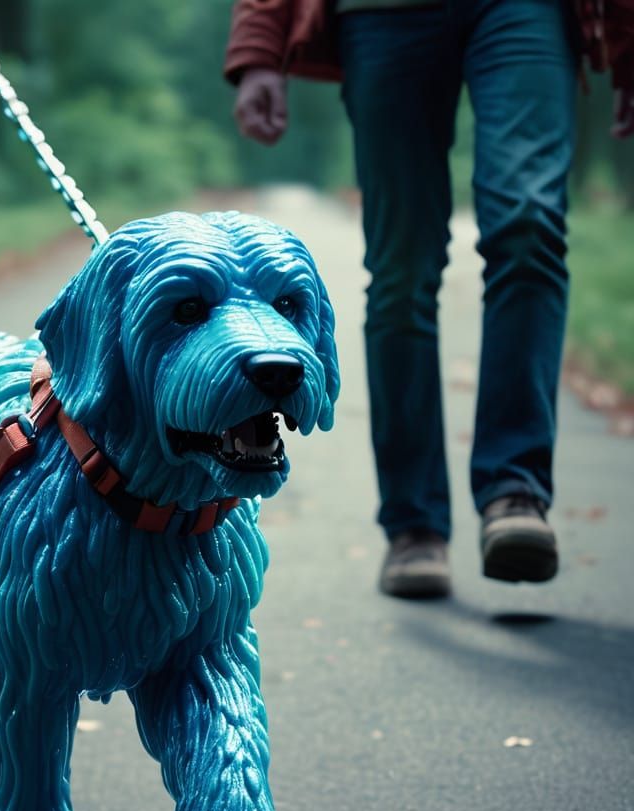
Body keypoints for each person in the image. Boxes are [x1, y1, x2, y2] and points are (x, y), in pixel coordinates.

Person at [225, 0, 634, 598]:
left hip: (527, 10)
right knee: (401, 268)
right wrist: (259, 45)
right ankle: (414, 525)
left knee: (529, 224)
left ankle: (513, 490)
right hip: (381, 13)